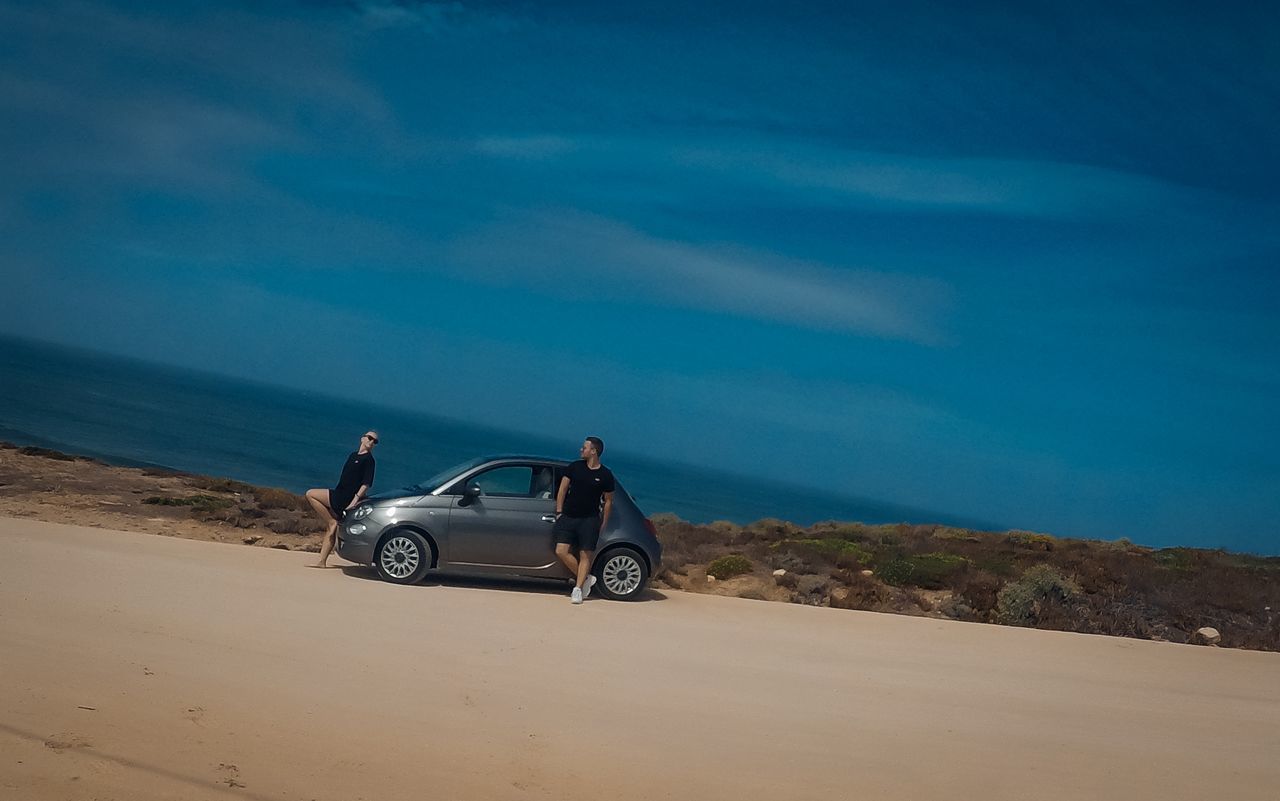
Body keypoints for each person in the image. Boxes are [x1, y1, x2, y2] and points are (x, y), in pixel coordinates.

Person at [552, 436, 615, 604]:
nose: (581, 450)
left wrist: (604, 523)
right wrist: (559, 512)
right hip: (569, 516)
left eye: (584, 447)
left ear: (594, 451)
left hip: (589, 519)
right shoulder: (574, 467)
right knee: (561, 551)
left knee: (585, 555)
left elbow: (608, 501)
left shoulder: (605, 475)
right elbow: (563, 489)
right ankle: (587, 578)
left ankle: (578, 589)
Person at [306, 431, 378, 568]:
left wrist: (355, 500)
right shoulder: (353, 455)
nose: (372, 441)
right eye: (370, 438)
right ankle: (322, 561)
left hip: (345, 498)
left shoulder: (369, 460)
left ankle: (331, 521)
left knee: (311, 494)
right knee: (331, 527)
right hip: (340, 492)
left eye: (375, 441)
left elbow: (366, 483)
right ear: (362, 438)